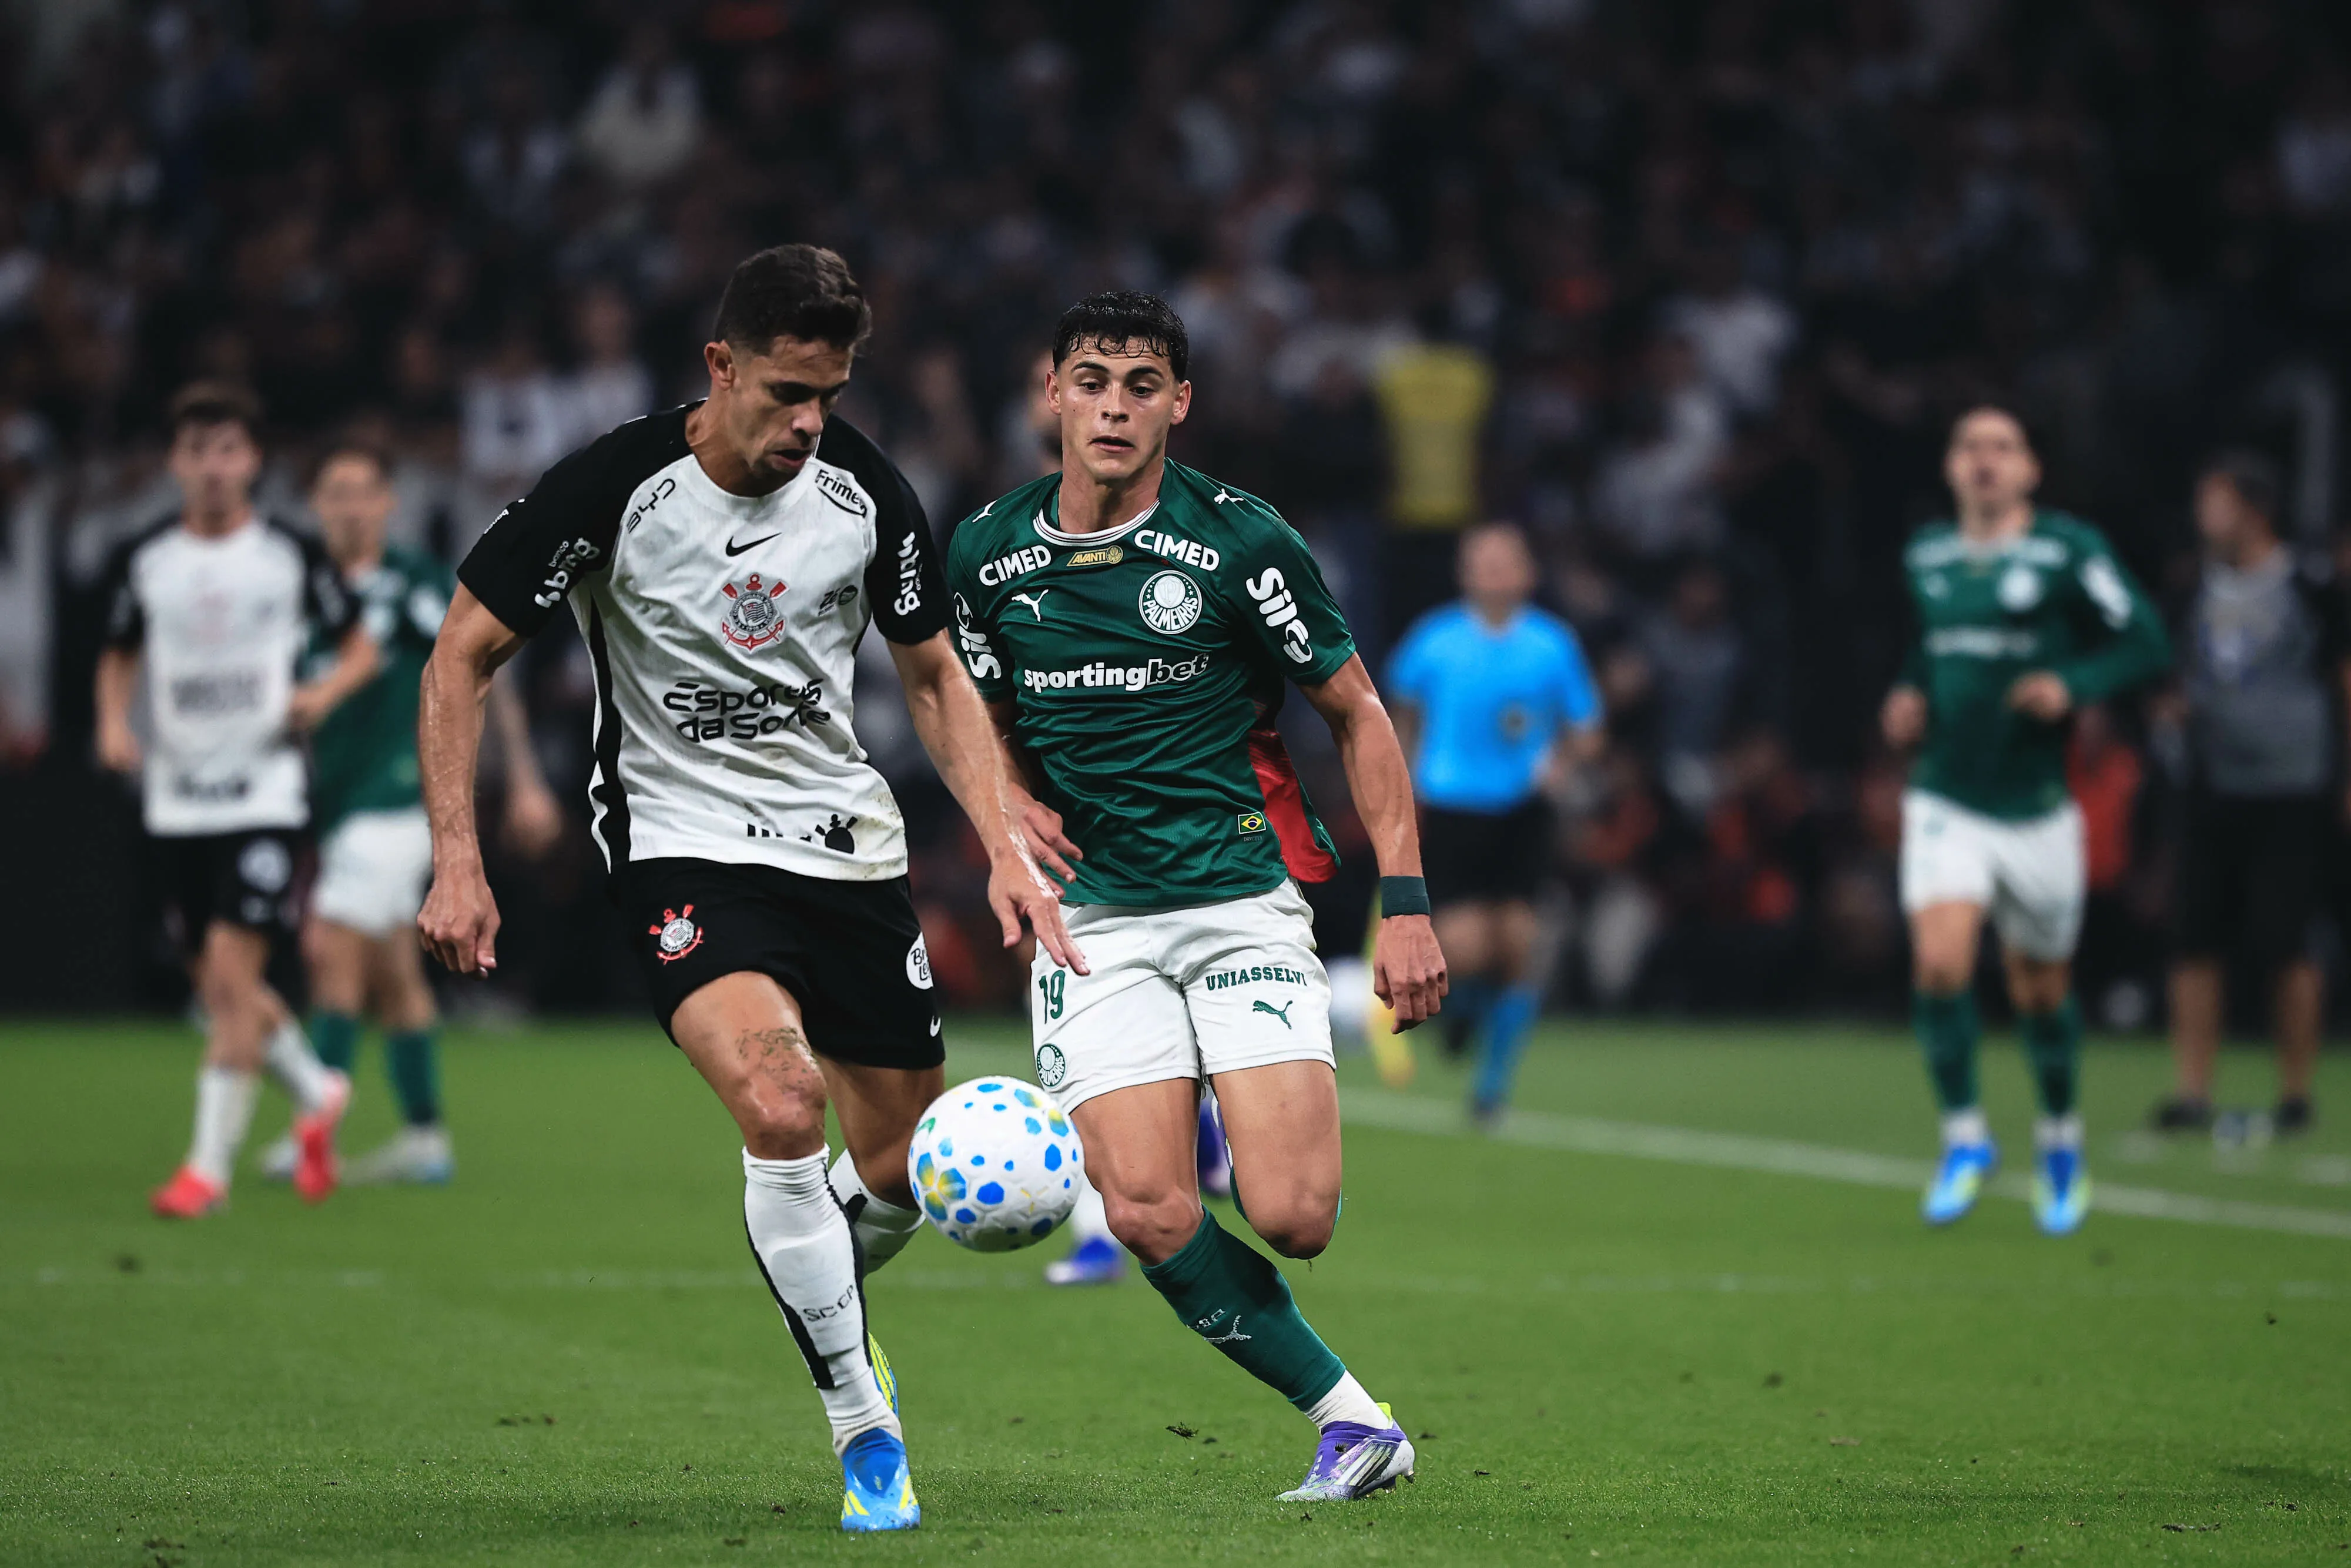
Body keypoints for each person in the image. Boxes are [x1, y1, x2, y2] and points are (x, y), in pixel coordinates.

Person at [414, 245, 1074, 1533]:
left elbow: (933, 674)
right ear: (717, 367)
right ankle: (862, 1422)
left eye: (827, 394)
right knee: (782, 1103)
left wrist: (999, 836)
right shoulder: (613, 486)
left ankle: (811, 1261)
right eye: (784, 392)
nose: (808, 422)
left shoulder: (860, 489)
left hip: (844, 847)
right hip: (682, 844)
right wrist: (458, 853)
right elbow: (461, 651)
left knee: (897, 1172)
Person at [945, 292, 1447, 1503]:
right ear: (1050, 394)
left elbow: (1356, 713)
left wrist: (1409, 898)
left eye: (1139, 382)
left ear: (1180, 401)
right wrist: (1009, 809)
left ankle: (1228, 1112)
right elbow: (973, 722)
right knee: (1148, 1206)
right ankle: (1352, 1423)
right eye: (1090, 379)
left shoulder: (1241, 541)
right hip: (1092, 919)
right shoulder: (983, 555)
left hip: (1236, 898)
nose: (1113, 405)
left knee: (1295, 1214)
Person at [1881, 407, 2169, 1235]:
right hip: (1945, 796)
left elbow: (2146, 641)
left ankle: (2059, 1139)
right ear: (1949, 465)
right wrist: (1907, 694)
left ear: (2031, 470)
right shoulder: (1928, 555)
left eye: (2002, 447)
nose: (1986, 460)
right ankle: (1966, 1138)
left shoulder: (2067, 551)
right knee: (1940, 964)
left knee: (2039, 988)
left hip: (2038, 808)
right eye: (1970, 445)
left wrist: (2072, 685)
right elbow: (1928, 649)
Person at [95, 382, 379, 1218]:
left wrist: (319, 698)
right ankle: (317, 1090)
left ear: (253, 461)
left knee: (228, 978)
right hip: (176, 798)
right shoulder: (148, 560)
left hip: (264, 792)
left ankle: (206, 1173)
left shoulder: (288, 555)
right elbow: (117, 652)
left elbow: (361, 648)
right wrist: (115, 722)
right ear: (175, 463)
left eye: (229, 450)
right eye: (197, 451)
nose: (214, 468)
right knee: (224, 989)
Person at [257, 441, 564, 1187]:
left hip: (400, 796)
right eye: (335, 491)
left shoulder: (418, 586)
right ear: (315, 503)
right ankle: (425, 1135)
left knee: (334, 950)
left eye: (365, 491)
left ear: (389, 503)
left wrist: (522, 777)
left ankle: (313, 1127)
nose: (350, 505)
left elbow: (484, 669)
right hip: (340, 796)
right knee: (395, 972)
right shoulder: (309, 591)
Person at [2155, 452, 2348, 1136]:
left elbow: (2342, 677)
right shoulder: (2190, 587)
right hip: (2213, 786)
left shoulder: (2311, 584)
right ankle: (2192, 1090)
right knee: (2193, 938)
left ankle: (2294, 1092)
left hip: (2293, 788)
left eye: (2216, 501)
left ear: (2254, 508)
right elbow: (2169, 674)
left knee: (2287, 940)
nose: (2203, 516)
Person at [1386, 521, 1603, 1123]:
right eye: (1483, 561)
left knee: (1520, 945)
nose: (1495, 573)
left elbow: (1586, 726)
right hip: (1454, 805)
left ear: (1527, 572)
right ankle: (1461, 1017)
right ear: (1465, 572)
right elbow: (1397, 711)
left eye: (1506, 561)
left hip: (1523, 809)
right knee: (1461, 945)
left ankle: (1490, 1088)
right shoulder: (1434, 640)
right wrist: (1400, 776)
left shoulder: (1551, 644)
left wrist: (1561, 763)